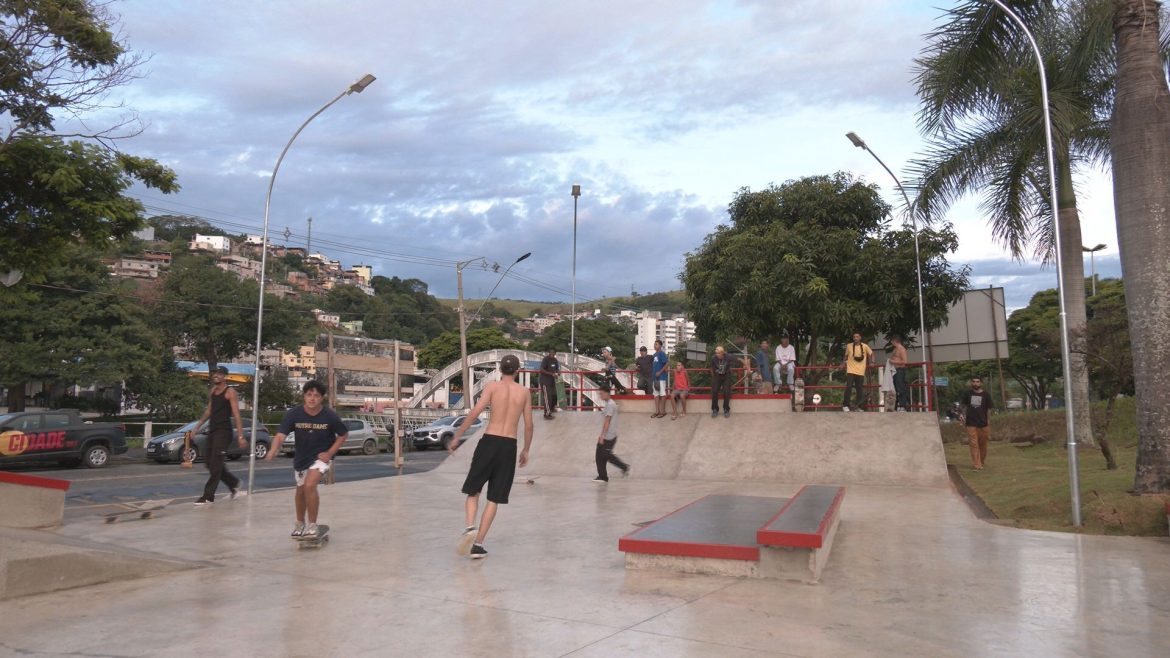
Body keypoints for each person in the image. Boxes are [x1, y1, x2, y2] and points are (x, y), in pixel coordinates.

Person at [449, 354, 534, 559]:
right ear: (517, 371)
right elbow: (529, 425)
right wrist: (526, 450)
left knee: (474, 490)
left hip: (489, 442)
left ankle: (470, 527)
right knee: (494, 498)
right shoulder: (524, 392)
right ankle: (478, 545)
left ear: (500, 370)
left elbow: (475, 413)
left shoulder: (492, 387)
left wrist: (458, 436)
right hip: (508, 446)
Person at [265, 380, 349, 538]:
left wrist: (329, 453)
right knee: (300, 491)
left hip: (321, 458)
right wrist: (273, 449)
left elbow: (343, 435)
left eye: (316, 396)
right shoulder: (294, 414)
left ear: (321, 398)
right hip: (302, 458)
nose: (312, 398)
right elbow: (281, 435)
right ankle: (299, 523)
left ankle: (312, 525)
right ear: (304, 396)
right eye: (309, 395)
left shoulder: (329, 415)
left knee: (310, 485)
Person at [191, 365, 247, 505]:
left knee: (216, 464)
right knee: (209, 463)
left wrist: (241, 436)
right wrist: (196, 427)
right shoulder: (213, 391)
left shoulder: (230, 392)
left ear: (225, 376)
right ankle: (234, 483)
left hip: (224, 432)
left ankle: (208, 496)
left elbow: (236, 415)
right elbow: (209, 411)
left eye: (219, 373)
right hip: (213, 430)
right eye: (214, 373)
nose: (215, 375)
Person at [592, 384, 630, 483]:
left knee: (606, 455)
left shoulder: (610, 405)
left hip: (609, 436)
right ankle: (602, 476)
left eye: (601, 394)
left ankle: (624, 467)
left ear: (607, 393)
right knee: (599, 455)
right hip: (608, 435)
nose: (600, 396)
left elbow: (607, 421)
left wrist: (602, 436)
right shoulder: (609, 403)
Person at [960, 376, 994, 471]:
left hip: (983, 423)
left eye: (977, 382)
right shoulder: (967, 394)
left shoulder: (986, 395)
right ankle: (977, 464)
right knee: (973, 444)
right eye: (974, 381)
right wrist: (963, 415)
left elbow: (989, 409)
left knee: (983, 445)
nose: (975, 383)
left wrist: (988, 421)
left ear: (981, 383)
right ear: (971, 383)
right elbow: (964, 406)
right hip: (970, 423)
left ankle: (981, 462)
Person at [841, 332, 873, 412]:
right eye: (854, 337)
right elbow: (846, 356)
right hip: (851, 370)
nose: (855, 338)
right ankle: (845, 405)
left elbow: (871, 354)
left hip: (860, 371)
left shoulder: (865, 346)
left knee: (859, 390)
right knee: (848, 387)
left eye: (857, 337)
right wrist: (843, 363)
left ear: (860, 338)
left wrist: (872, 362)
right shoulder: (849, 346)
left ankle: (858, 406)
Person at [710, 345, 733, 418]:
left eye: (719, 353)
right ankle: (715, 409)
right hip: (717, 376)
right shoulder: (713, 358)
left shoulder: (728, 356)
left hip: (726, 376)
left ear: (722, 353)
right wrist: (713, 378)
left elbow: (739, 359)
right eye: (716, 353)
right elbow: (711, 369)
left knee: (726, 392)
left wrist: (746, 365)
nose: (717, 355)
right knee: (714, 391)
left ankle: (726, 409)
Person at [889, 335, 910, 411]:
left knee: (900, 388)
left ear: (895, 341)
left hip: (900, 370)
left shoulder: (901, 349)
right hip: (894, 370)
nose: (891, 342)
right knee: (895, 388)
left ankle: (903, 406)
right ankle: (896, 406)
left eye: (892, 341)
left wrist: (893, 361)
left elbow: (905, 361)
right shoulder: (895, 349)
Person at [539, 347, 560, 419]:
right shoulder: (545, 359)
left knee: (554, 396)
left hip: (552, 382)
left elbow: (557, 368)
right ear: (549, 353)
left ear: (555, 353)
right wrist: (551, 374)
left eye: (553, 353)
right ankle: (547, 414)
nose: (552, 354)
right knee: (548, 398)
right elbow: (541, 369)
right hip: (545, 382)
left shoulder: (555, 360)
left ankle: (552, 408)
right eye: (551, 352)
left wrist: (558, 372)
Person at [651, 339, 670, 418]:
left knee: (662, 394)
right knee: (656, 394)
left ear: (660, 346)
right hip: (655, 378)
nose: (655, 345)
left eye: (656, 344)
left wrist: (660, 372)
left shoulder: (662, 353)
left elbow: (667, 363)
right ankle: (657, 411)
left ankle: (663, 411)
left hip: (661, 378)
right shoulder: (654, 355)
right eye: (654, 344)